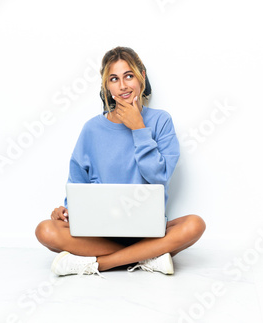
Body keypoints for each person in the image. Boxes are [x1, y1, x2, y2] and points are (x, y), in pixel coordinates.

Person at [35, 46, 206, 276]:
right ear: (106, 86)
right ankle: (147, 257)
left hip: (148, 232)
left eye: (129, 76)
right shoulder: (92, 129)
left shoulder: (160, 121)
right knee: (45, 230)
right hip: (99, 233)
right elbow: (78, 185)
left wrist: (139, 128)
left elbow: (159, 177)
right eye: (114, 79)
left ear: (141, 77)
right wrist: (65, 211)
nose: (123, 86)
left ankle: (100, 264)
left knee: (195, 224)